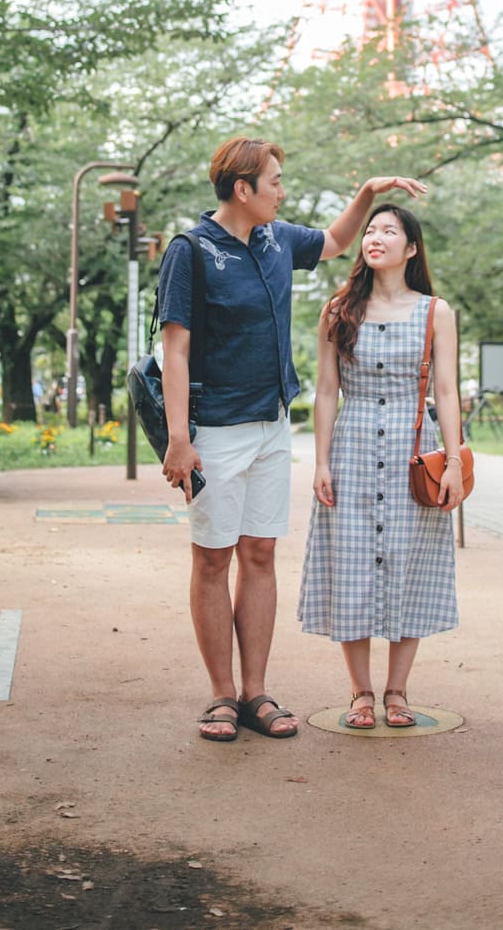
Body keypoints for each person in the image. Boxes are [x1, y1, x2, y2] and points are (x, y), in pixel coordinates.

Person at [158, 137, 425, 744]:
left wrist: (367, 194)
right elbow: (175, 348)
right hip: (215, 428)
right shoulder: (191, 251)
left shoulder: (278, 240)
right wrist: (178, 437)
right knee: (212, 558)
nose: (282, 191)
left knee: (259, 555)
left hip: (272, 424)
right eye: (274, 181)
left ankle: (255, 692)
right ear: (243, 189)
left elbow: (333, 242)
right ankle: (221, 696)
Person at [297, 204, 462, 729]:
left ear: (410, 249)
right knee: (350, 565)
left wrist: (454, 461)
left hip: (414, 452)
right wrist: (321, 462)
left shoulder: (436, 312)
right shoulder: (338, 309)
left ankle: (397, 691)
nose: (375, 237)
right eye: (370, 230)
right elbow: (327, 391)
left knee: (411, 564)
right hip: (352, 446)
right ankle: (360, 692)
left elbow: (447, 391)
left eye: (389, 231)